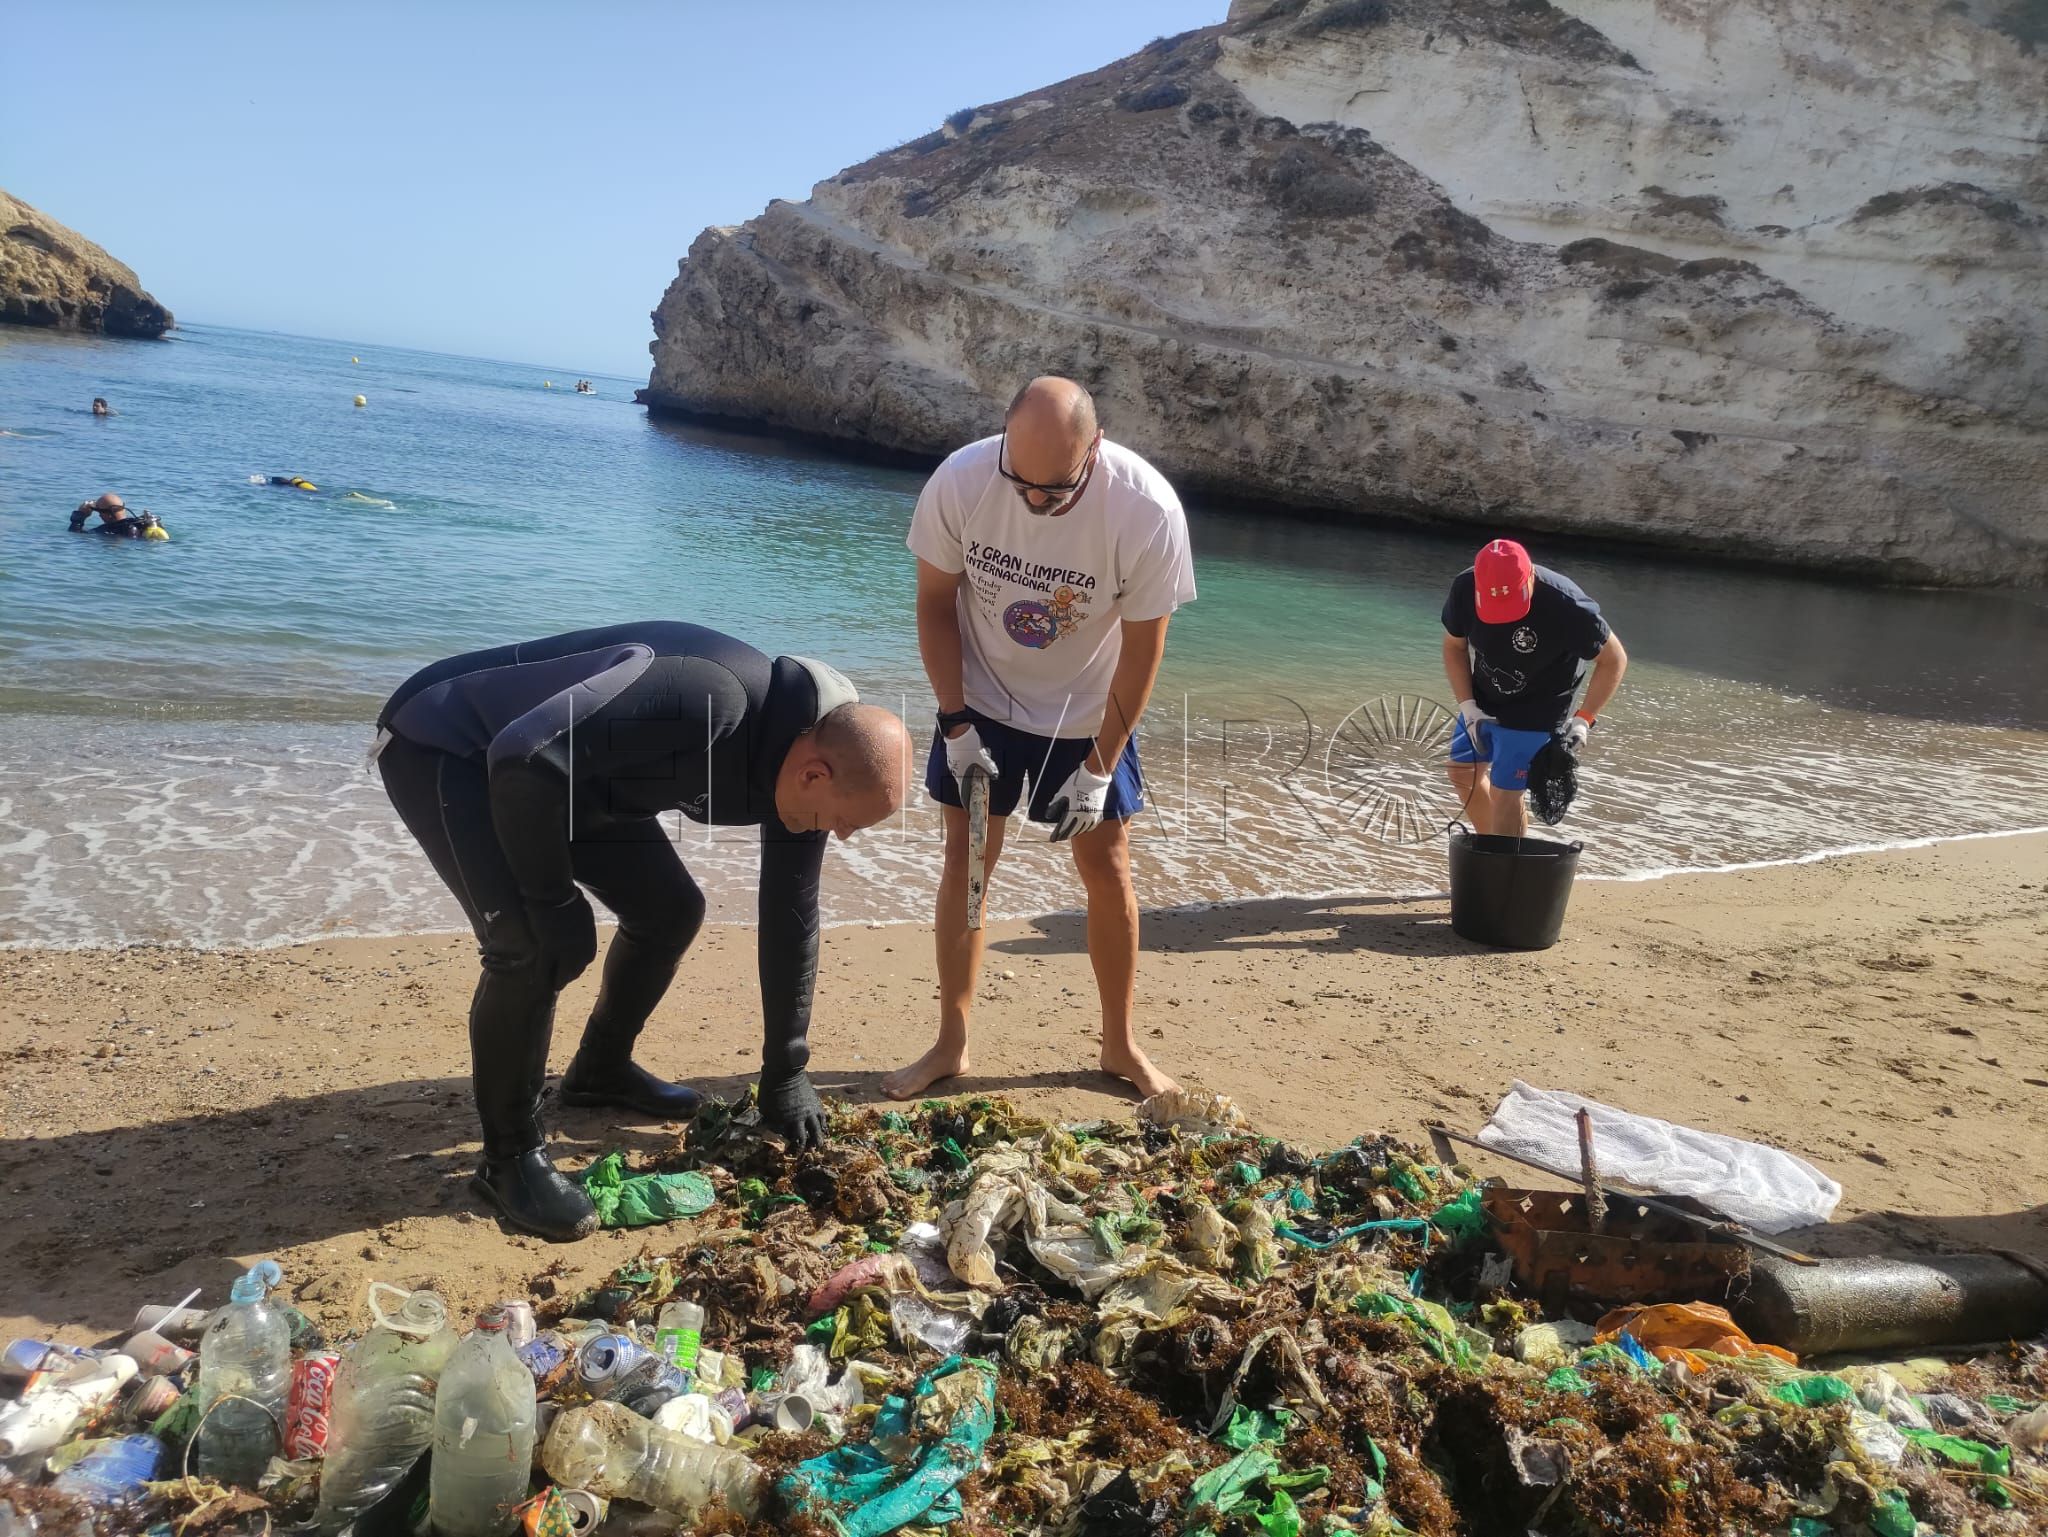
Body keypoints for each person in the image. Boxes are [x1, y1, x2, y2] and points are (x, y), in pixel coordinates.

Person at [373, 622, 912, 1240]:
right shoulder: (710, 702)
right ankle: (510, 1158)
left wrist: (785, 1071)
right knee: (530, 946)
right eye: (842, 822)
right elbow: (522, 757)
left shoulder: (803, 769)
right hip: (453, 749)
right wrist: (552, 902)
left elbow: (793, 917)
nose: (836, 836)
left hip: (567, 780)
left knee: (669, 910)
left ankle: (600, 1071)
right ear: (815, 774)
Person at [883, 376, 1196, 1103]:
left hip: (1087, 709)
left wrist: (1099, 765)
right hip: (983, 699)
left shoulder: (1146, 508)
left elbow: (1146, 650)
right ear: (1002, 438)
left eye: (1054, 491)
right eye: (1020, 482)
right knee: (968, 867)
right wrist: (956, 723)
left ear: (1097, 448)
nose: (1033, 501)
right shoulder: (961, 481)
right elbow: (934, 604)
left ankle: (1119, 1044)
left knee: (1107, 867)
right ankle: (951, 1042)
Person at [1441, 538, 1627, 837]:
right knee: (1462, 772)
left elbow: (1614, 659)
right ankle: (1493, 852)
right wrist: (1467, 705)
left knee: (1506, 795)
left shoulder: (1566, 605)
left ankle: (1504, 873)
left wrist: (1584, 719)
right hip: (1483, 698)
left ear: (1529, 579)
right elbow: (1454, 647)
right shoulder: (1464, 587)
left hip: (1539, 709)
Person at [67, 492, 162, 538]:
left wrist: (79, 517)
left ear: (109, 514)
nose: (100, 516)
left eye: (100, 512)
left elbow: (74, 534)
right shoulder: (140, 523)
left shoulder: (106, 530)